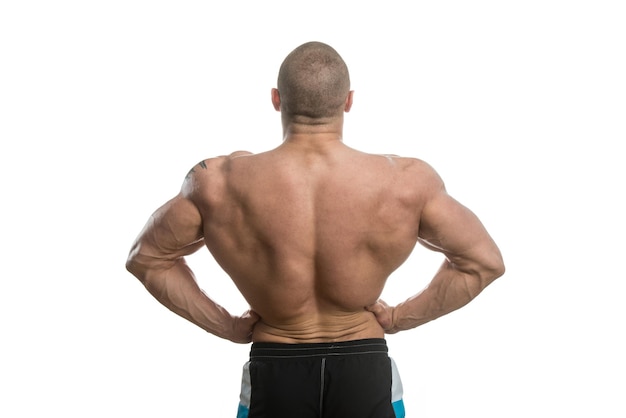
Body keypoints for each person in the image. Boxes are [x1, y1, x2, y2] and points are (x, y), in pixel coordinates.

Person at [126, 41, 505, 418]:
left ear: (276, 98)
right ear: (349, 101)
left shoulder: (218, 184)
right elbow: (483, 262)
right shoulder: (406, 183)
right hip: (364, 367)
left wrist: (227, 325)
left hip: (275, 370)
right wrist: (399, 317)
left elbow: (146, 259)